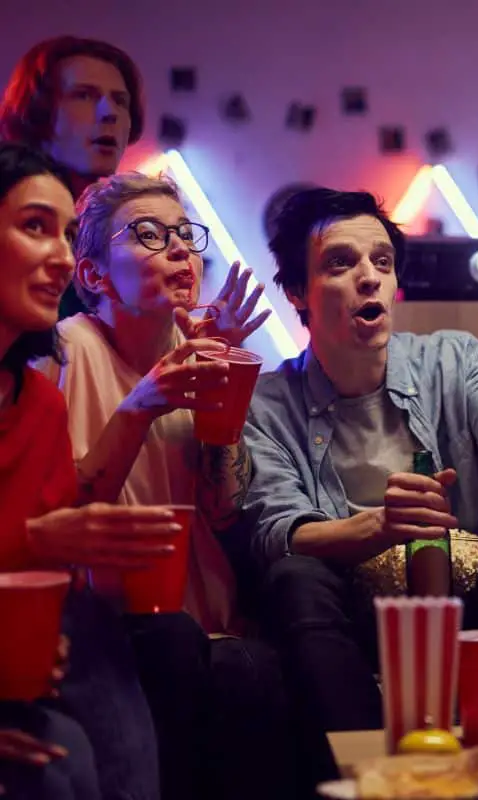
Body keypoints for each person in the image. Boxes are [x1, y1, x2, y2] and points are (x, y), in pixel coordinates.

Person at [241, 187, 478, 756]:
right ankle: (367, 774)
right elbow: (277, 534)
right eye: (341, 263)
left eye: (382, 263)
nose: (369, 277)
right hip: (350, 607)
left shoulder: (452, 358)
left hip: (465, 592)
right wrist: (378, 528)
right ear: (297, 292)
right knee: (294, 578)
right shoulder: (267, 404)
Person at [37, 171, 297, 800]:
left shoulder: (199, 349)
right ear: (94, 275)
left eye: (186, 235)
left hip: (203, 602)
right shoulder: (64, 354)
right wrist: (143, 401)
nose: (182, 250)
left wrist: (222, 402)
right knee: (182, 649)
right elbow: (64, 518)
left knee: (253, 662)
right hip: (105, 613)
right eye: (150, 236)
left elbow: (223, 508)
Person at [0, 141, 176, 799]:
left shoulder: (36, 404)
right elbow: (32, 545)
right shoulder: (74, 357)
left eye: (67, 235)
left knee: (68, 741)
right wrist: (34, 543)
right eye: (34, 227)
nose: (59, 257)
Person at [1, 36, 146, 320]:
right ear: (39, 112)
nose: (109, 113)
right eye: (84, 95)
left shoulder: (106, 231)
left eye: (120, 101)